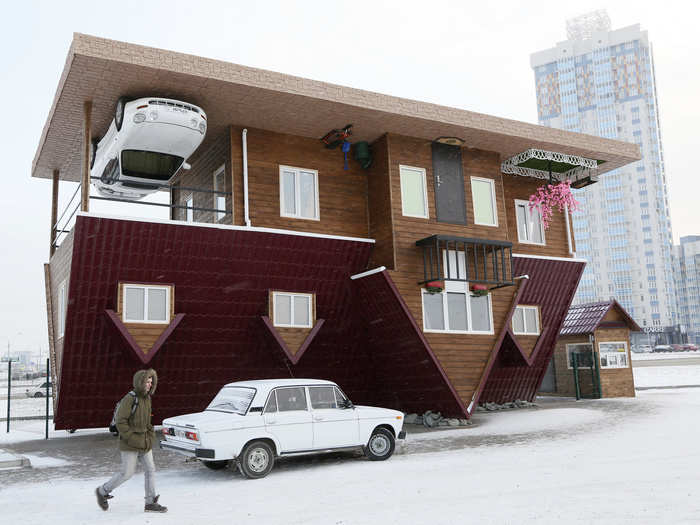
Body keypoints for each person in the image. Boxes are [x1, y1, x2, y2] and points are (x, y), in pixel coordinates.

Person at [95, 368, 167, 513]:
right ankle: (102, 491)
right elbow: (120, 422)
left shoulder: (147, 398)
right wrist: (132, 438)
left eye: (151, 382)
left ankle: (150, 503)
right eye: (147, 381)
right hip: (130, 443)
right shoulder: (130, 399)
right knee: (126, 473)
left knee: (151, 470)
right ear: (140, 382)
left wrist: (151, 434)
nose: (149, 384)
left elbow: (148, 421)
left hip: (145, 442)